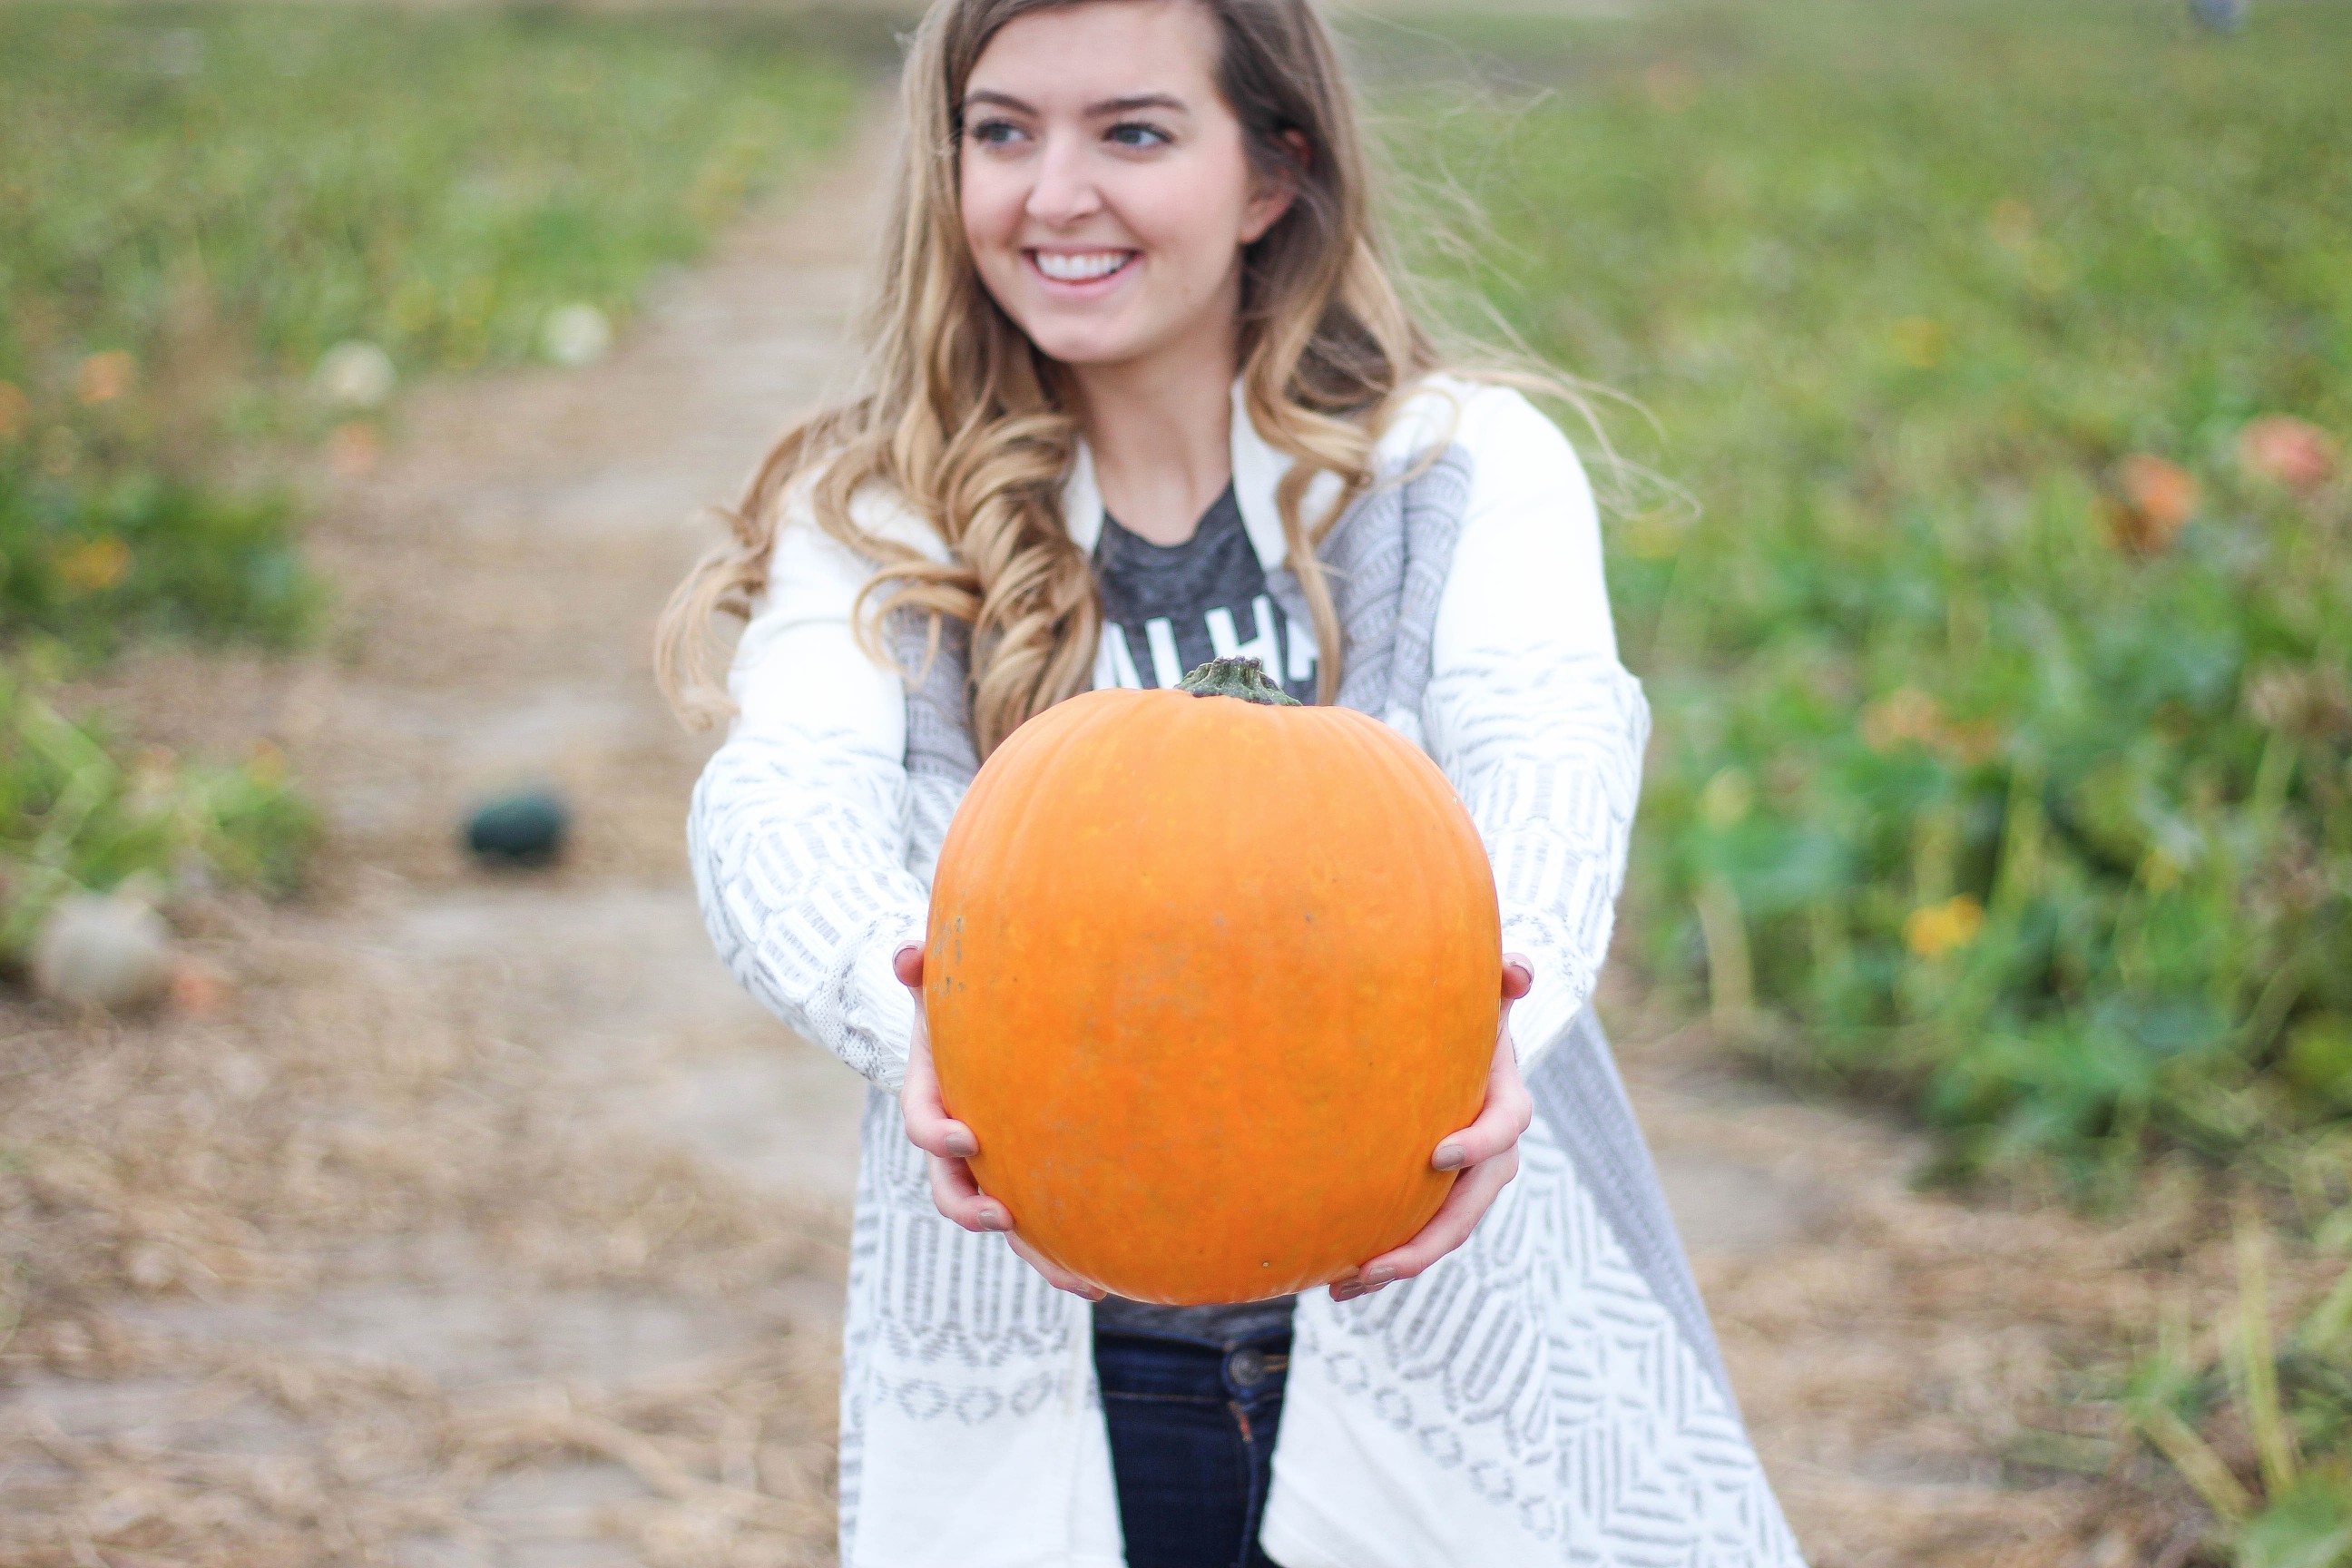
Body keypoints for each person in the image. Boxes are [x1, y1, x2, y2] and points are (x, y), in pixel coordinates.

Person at [658, 0, 1806, 1562]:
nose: (1053, 193)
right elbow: (779, 808)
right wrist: (904, 1002)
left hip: (1436, 1304)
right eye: (1002, 131)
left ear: (1273, 173)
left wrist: (1488, 1030)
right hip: (1053, 1332)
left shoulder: (1458, 468)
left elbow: (1548, 773)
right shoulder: (880, 513)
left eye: (1132, 131)